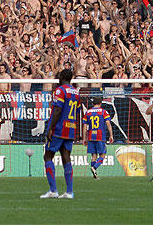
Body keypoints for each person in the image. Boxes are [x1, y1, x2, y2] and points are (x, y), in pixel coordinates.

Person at [41, 69, 79, 199]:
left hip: (59, 129)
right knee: (66, 157)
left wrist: (50, 128)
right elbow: (77, 112)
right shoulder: (76, 92)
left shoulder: (60, 90)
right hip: (71, 128)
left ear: (61, 77)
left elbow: (57, 110)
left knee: (48, 156)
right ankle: (69, 192)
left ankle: (53, 190)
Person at [82, 96, 113, 179]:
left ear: (93, 103)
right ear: (100, 103)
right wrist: (111, 135)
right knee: (102, 155)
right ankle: (94, 168)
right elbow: (108, 124)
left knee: (94, 156)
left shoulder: (88, 112)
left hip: (91, 136)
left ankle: (94, 175)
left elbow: (85, 126)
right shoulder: (103, 112)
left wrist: (84, 138)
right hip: (100, 136)